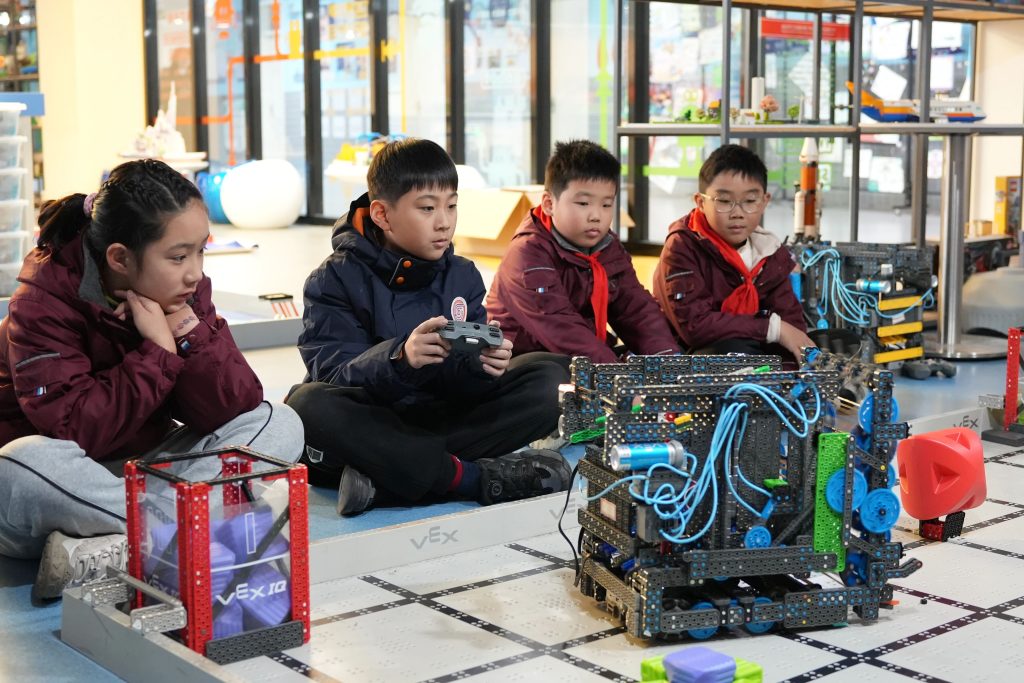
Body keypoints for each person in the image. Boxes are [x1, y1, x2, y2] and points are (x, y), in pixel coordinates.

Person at [0, 160, 303, 600]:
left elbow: (235, 405)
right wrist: (158, 353)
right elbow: (74, 430)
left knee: (278, 421)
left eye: (200, 252)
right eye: (178, 256)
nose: (194, 272)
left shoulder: (181, 291)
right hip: (69, 487)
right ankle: (188, 533)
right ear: (120, 258)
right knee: (19, 465)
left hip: (143, 474)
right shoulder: (41, 303)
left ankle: (124, 547)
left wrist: (186, 330)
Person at [285, 138, 570, 515]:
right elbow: (333, 375)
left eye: (451, 205)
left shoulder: (463, 276)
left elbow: (463, 387)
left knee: (552, 378)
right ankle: (471, 479)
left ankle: (387, 481)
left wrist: (483, 367)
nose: (444, 221)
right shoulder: (333, 280)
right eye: (427, 208)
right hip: (372, 425)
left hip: (432, 426)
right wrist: (400, 359)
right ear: (382, 215)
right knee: (307, 405)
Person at [486, 140, 680, 363]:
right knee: (555, 372)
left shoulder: (607, 247)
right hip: (520, 360)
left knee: (655, 355)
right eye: (583, 203)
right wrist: (613, 372)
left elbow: (635, 308)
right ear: (549, 204)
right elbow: (561, 328)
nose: (596, 216)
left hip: (581, 354)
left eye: (606, 205)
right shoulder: (527, 253)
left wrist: (667, 360)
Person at [653, 144, 813, 362]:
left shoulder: (768, 252)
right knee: (734, 351)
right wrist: (771, 328)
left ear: (764, 201)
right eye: (724, 201)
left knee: (830, 341)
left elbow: (793, 327)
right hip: (691, 359)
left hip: (754, 353)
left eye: (750, 201)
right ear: (700, 202)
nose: (737, 213)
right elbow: (695, 327)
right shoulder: (682, 247)